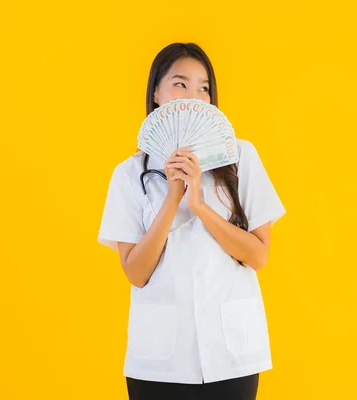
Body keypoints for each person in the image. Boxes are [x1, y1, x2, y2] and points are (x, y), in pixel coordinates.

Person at [97, 42, 286, 400]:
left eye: (204, 88)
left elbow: (258, 256)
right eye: (181, 84)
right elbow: (136, 273)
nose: (195, 96)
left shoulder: (241, 157)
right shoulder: (129, 173)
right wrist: (173, 197)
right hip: (158, 361)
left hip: (232, 356)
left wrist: (198, 204)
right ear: (156, 93)